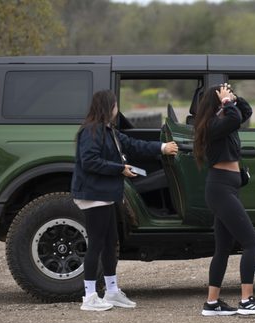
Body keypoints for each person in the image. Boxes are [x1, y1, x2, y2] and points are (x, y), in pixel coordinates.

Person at [71, 89, 178, 311]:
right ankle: (89, 296)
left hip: (106, 196)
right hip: (94, 196)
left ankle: (111, 291)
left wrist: (162, 148)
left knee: (110, 243)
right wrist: (121, 169)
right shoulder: (91, 131)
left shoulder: (109, 131)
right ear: (108, 107)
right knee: (97, 245)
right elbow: (89, 161)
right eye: (115, 105)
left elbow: (134, 145)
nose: (117, 108)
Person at [193, 83, 255, 316]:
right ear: (216, 102)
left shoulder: (224, 121)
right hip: (220, 189)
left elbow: (245, 113)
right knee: (252, 243)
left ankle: (212, 303)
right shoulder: (212, 125)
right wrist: (228, 103)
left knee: (223, 248)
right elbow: (234, 119)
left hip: (227, 188)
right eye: (224, 96)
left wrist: (234, 98)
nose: (228, 99)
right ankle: (247, 300)